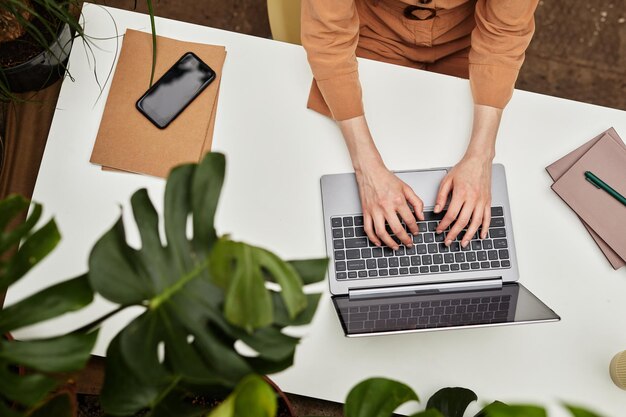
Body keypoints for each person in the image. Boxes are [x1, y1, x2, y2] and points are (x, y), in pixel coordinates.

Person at [301, 0, 538, 251]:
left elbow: (503, 37)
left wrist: (481, 157)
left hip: (468, 40)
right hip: (371, 34)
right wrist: (367, 171)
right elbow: (328, 41)